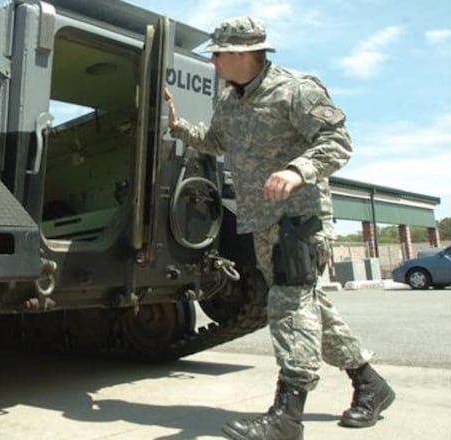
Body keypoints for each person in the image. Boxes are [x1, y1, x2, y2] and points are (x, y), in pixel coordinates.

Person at [164, 16, 395, 440]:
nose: (212, 60)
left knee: (290, 308)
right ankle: (370, 383)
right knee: (310, 310)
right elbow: (216, 143)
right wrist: (179, 127)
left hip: (298, 219)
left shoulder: (296, 89)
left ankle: (287, 415)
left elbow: (337, 142)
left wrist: (298, 169)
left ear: (240, 54)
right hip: (260, 221)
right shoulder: (230, 102)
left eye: (217, 53)